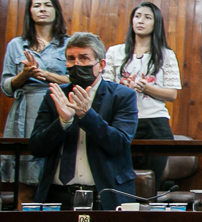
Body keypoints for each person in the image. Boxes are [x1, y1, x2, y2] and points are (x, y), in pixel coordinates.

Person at [29, 32, 137, 210]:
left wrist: (87, 116)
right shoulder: (55, 95)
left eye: (84, 58)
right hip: (57, 195)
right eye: (71, 59)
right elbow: (36, 148)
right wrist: (63, 122)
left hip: (103, 195)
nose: (76, 64)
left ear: (101, 64)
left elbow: (119, 144)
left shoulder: (122, 96)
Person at [103, 2, 182, 192]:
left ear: (156, 23)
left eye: (147, 17)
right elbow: (105, 89)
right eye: (137, 16)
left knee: (150, 185)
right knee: (121, 183)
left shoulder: (166, 55)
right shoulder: (115, 51)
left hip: (155, 123)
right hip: (122, 122)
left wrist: (147, 88)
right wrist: (124, 89)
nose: (140, 21)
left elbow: (172, 94)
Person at [2, 0, 70, 202]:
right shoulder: (16, 44)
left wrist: (46, 75)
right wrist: (24, 75)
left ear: (56, 10)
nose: (42, 9)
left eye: (47, 5)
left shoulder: (69, 44)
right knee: (25, 182)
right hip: (24, 114)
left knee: (58, 180)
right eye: (37, 5)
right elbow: (6, 87)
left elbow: (76, 81)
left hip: (57, 109)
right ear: (29, 12)